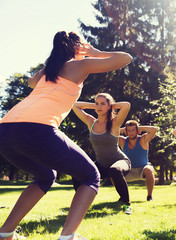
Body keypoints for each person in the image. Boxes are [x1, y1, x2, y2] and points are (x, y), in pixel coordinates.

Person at [0, 31, 132, 240]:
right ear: (76, 46)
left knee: (45, 176)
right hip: (37, 127)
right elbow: (125, 58)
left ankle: (5, 233)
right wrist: (95, 53)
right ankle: (68, 236)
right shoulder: (79, 65)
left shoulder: (48, 71)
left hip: (5, 130)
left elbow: (31, 82)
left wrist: (49, 63)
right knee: (90, 176)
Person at [72, 93, 133, 214]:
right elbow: (75, 105)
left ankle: (127, 205)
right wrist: (95, 106)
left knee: (114, 170)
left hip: (120, 162)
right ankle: (81, 205)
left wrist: (111, 106)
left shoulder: (115, 123)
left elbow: (126, 106)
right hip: (102, 165)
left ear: (109, 106)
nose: (99, 107)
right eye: (97, 103)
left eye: (102, 104)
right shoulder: (91, 122)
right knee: (77, 172)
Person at [118, 120, 157, 201]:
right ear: (126, 132)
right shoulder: (123, 141)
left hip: (143, 169)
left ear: (137, 131)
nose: (131, 132)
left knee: (148, 169)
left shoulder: (143, 139)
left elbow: (154, 130)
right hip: (129, 170)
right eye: (129, 130)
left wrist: (139, 127)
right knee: (114, 171)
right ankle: (123, 197)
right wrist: (123, 129)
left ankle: (149, 196)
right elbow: (111, 134)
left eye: (133, 130)